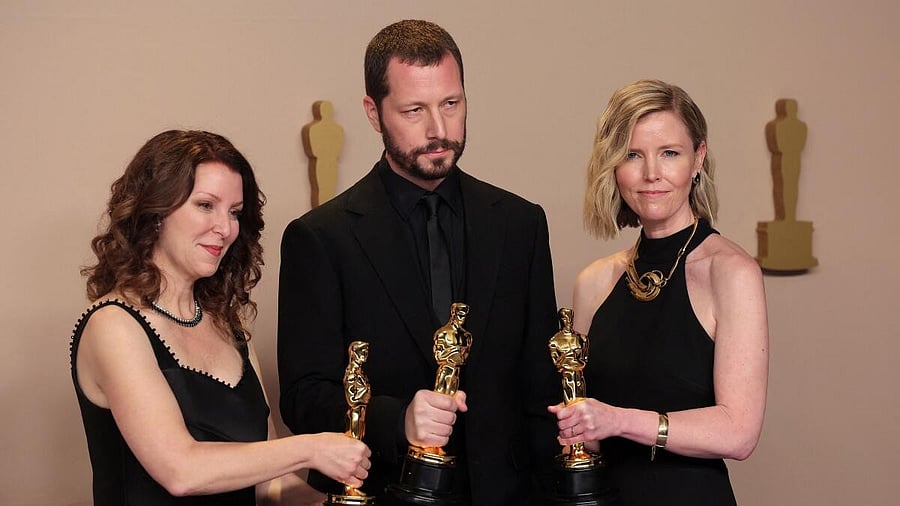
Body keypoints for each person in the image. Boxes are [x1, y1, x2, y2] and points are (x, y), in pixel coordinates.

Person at [278, 19, 560, 505]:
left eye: (451, 104)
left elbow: (542, 386)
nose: (438, 130)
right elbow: (304, 398)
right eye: (414, 110)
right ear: (373, 112)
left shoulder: (521, 224)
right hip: (386, 492)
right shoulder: (321, 238)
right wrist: (397, 419)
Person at [70, 130, 371, 506]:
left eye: (234, 213)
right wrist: (311, 449)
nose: (226, 229)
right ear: (155, 211)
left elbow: (269, 485)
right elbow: (180, 470)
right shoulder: (113, 325)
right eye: (205, 205)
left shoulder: (230, 328)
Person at [549, 79, 769, 505]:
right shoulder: (594, 282)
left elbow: (739, 432)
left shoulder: (732, 272)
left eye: (670, 153)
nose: (651, 173)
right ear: (612, 165)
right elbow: (582, 427)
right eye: (633, 155)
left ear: (697, 159)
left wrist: (619, 421)